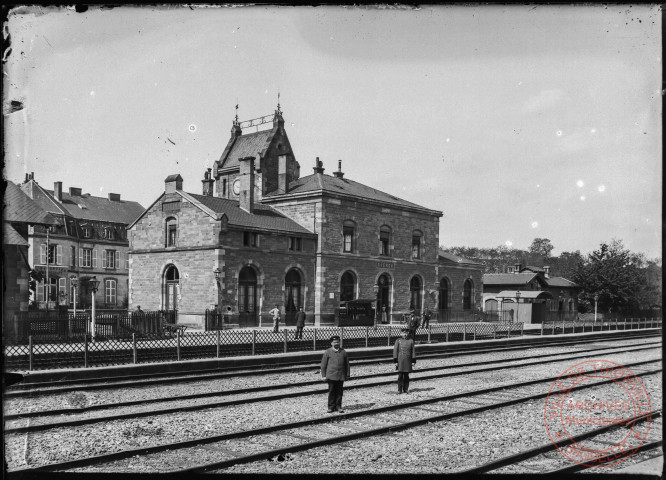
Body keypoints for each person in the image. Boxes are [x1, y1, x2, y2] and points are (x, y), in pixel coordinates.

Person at [320, 335, 350, 413]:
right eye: (334, 342)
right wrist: (323, 375)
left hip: (341, 375)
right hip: (331, 376)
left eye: (337, 342)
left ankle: (338, 406)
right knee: (332, 392)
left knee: (339, 392)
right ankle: (331, 407)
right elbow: (323, 365)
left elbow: (347, 364)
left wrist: (347, 374)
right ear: (331, 343)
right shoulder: (327, 352)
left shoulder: (343, 351)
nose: (336, 343)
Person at [393, 327, 416, 394]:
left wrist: (413, 361)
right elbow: (395, 351)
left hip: (408, 360)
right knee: (400, 376)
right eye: (403, 333)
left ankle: (406, 389)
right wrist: (395, 361)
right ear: (401, 333)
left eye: (406, 333)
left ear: (408, 333)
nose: (405, 334)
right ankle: (399, 389)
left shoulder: (411, 341)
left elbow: (413, 352)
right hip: (400, 360)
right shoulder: (398, 341)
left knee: (406, 376)